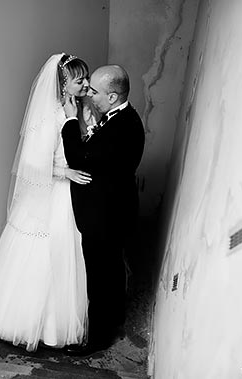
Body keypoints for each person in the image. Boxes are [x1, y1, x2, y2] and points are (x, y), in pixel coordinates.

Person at [0, 53, 93, 351]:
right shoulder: (50, 116)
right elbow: (31, 163)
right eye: (79, 80)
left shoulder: (78, 109)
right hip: (54, 192)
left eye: (86, 79)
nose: (85, 84)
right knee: (46, 256)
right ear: (63, 84)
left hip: (70, 193)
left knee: (68, 259)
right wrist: (65, 170)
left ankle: (56, 327)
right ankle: (30, 324)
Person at [61, 64, 146, 356]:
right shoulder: (123, 119)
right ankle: (115, 318)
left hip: (104, 217)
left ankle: (98, 339)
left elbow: (78, 158)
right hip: (114, 212)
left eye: (95, 91)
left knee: (99, 277)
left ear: (112, 98)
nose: (89, 94)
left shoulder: (122, 127)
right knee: (111, 272)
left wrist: (71, 121)